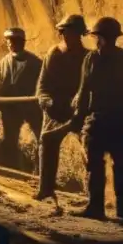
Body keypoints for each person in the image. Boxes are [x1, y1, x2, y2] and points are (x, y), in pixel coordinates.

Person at [72, 17, 123, 220]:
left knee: (105, 163)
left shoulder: (98, 60)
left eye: (98, 37)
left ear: (101, 38)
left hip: (108, 120)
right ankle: (115, 209)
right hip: (111, 120)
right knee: (112, 162)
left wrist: (78, 117)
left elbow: (84, 92)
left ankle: (106, 208)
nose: (97, 41)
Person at [34, 15, 89, 201]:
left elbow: (90, 85)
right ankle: (46, 188)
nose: (66, 36)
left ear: (80, 34)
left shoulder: (87, 57)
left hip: (79, 109)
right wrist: (45, 99)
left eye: (70, 32)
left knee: (90, 147)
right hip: (55, 108)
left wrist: (81, 105)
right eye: (64, 32)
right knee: (47, 142)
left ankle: (94, 195)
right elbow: (43, 82)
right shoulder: (54, 53)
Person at [0, 27, 44, 170]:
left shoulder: (37, 64)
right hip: (11, 109)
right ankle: (12, 170)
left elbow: (45, 83)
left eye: (16, 41)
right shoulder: (1, 66)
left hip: (33, 108)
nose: (12, 44)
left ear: (23, 42)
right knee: (10, 140)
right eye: (9, 41)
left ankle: (40, 171)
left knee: (42, 139)